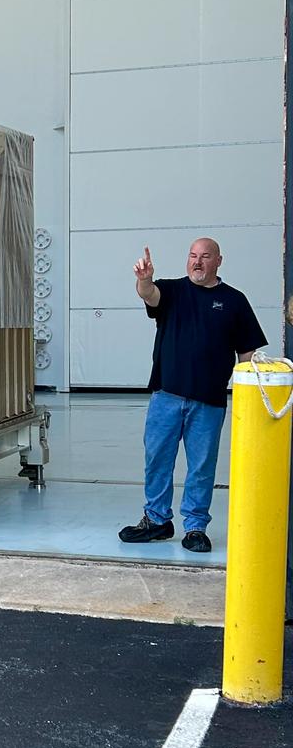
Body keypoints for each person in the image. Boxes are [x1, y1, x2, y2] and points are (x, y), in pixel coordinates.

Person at [119, 237, 267, 554]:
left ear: (218, 261)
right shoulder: (172, 291)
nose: (197, 262)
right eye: (192, 256)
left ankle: (195, 527)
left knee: (201, 467)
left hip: (209, 401)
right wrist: (143, 280)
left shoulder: (235, 301)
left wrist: (251, 399)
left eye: (205, 256)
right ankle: (156, 521)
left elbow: (248, 354)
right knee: (157, 460)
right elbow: (150, 295)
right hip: (166, 396)